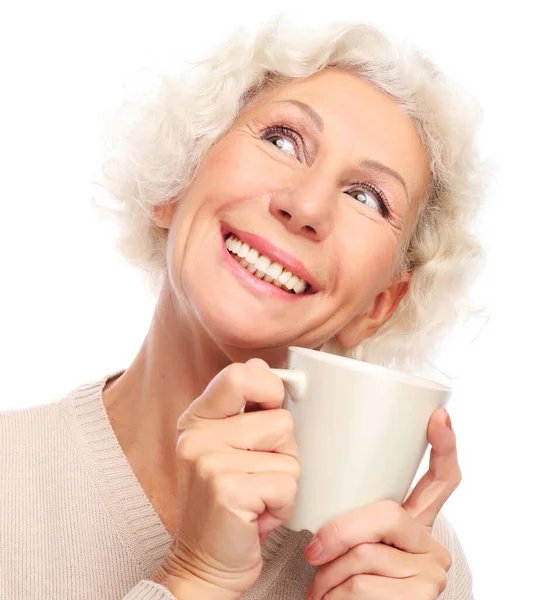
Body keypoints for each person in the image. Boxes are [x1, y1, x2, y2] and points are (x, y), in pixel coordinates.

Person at [0, 17, 486, 600]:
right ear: (175, 182)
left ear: (379, 304)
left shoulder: (408, 560)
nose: (305, 205)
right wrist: (196, 578)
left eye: (367, 197)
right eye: (282, 140)